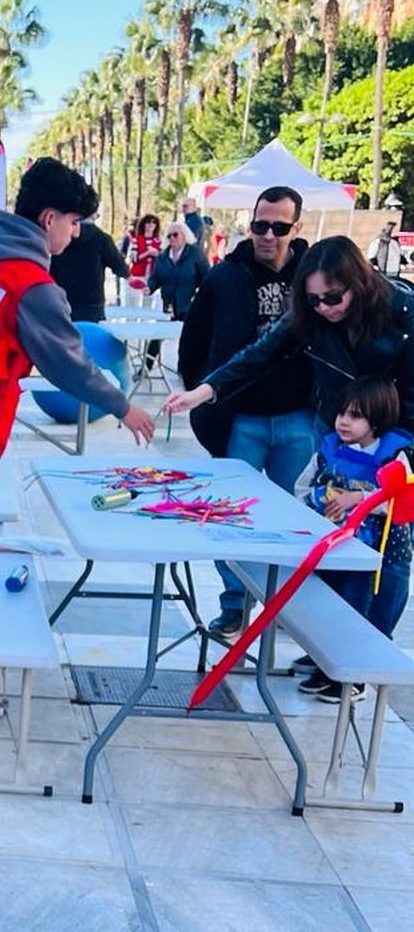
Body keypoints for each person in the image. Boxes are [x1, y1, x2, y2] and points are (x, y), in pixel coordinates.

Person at [0, 156, 156, 713]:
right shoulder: (31, 284)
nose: (76, 234)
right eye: (74, 222)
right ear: (48, 219)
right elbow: (69, 363)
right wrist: (122, 405)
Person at [173, 185, 312, 640]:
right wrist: (202, 392)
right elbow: (193, 342)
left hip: (299, 417)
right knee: (231, 514)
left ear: (297, 228)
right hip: (240, 418)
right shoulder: (224, 276)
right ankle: (234, 604)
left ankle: (280, 603)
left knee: (290, 516)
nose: (267, 235)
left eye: (279, 227)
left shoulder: (314, 276)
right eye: (259, 225)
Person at [168, 234, 414, 441]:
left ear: (358, 284)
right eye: (314, 299)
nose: (324, 307)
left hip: (392, 430)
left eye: (333, 297)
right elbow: (259, 355)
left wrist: (403, 446)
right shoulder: (307, 315)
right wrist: (202, 392)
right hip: (334, 427)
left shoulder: (403, 314)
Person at [300, 378, 413, 694]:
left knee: (369, 615)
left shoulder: (395, 456)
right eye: (342, 413)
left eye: (355, 416)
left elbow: (400, 499)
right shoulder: (329, 449)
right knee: (332, 606)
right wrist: (318, 498)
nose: (344, 422)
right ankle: (327, 662)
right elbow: (303, 486)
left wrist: (359, 498)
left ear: (376, 420)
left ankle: (353, 679)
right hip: (337, 550)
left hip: (382, 557)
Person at [50, 217, 130, 324]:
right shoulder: (102, 239)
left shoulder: (58, 238)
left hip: (61, 299)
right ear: (93, 215)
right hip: (92, 302)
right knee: (89, 333)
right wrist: (130, 275)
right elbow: (119, 267)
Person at [148, 221, 209, 319]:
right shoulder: (162, 257)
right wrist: (148, 288)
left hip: (190, 309)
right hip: (168, 309)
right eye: (169, 236)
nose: (172, 238)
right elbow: (155, 278)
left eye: (175, 235)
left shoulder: (196, 254)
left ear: (185, 235)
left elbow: (206, 279)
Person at [127, 211, 162, 284]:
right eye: (148, 222)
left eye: (154, 222)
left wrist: (157, 253)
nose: (151, 224)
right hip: (138, 276)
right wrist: (148, 253)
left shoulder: (160, 240)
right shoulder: (136, 240)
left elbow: (165, 258)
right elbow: (133, 259)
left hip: (155, 277)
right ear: (143, 224)